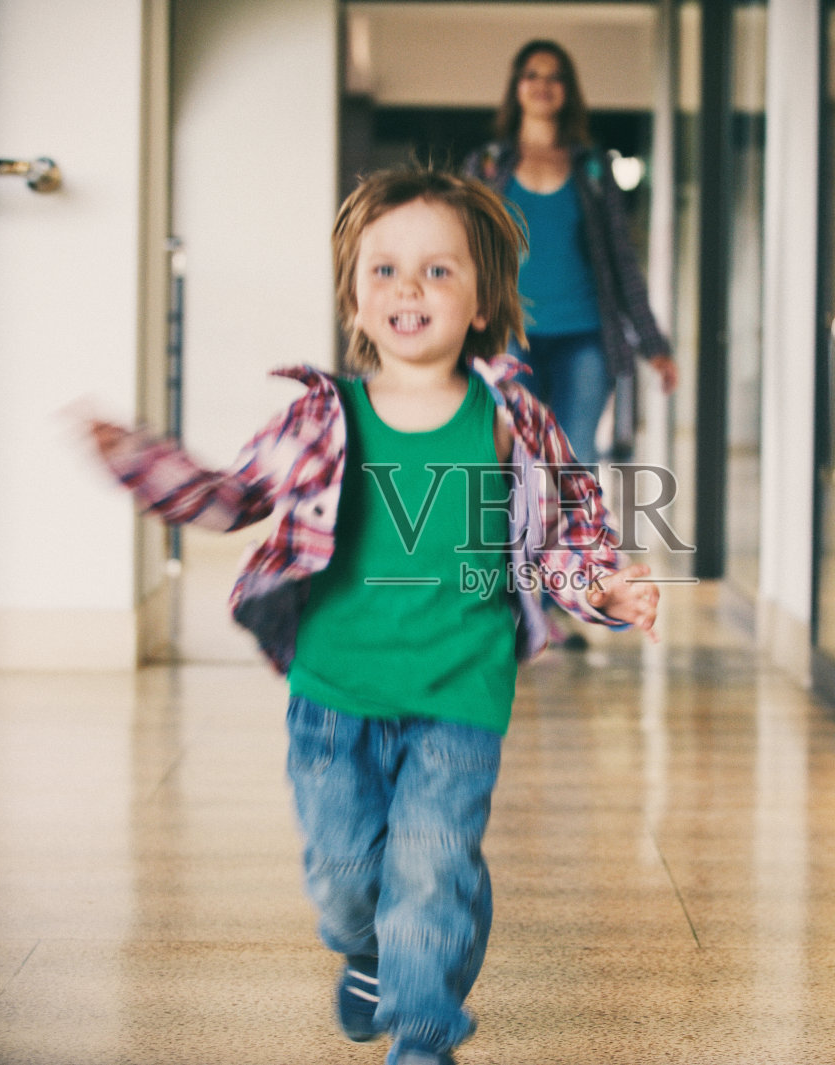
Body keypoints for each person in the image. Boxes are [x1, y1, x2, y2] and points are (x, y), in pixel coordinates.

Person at [82, 167, 659, 1065]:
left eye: (438, 270)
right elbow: (233, 496)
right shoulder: (321, 415)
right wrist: (146, 464)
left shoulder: (513, 420)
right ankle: (369, 950)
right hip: (334, 692)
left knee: (428, 867)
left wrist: (604, 589)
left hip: (459, 693)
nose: (408, 289)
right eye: (385, 269)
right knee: (346, 877)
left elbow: (569, 526)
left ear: (482, 300)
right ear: (355, 294)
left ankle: (424, 1035)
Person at [464, 38, 676, 647]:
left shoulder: (591, 166)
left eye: (554, 76)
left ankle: (563, 600)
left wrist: (653, 343)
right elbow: (458, 246)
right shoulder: (486, 167)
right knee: (514, 469)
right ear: (516, 86)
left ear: (567, 90)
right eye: (531, 74)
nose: (542, 85)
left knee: (572, 466)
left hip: (585, 337)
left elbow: (622, 261)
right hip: (509, 343)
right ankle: (514, 599)